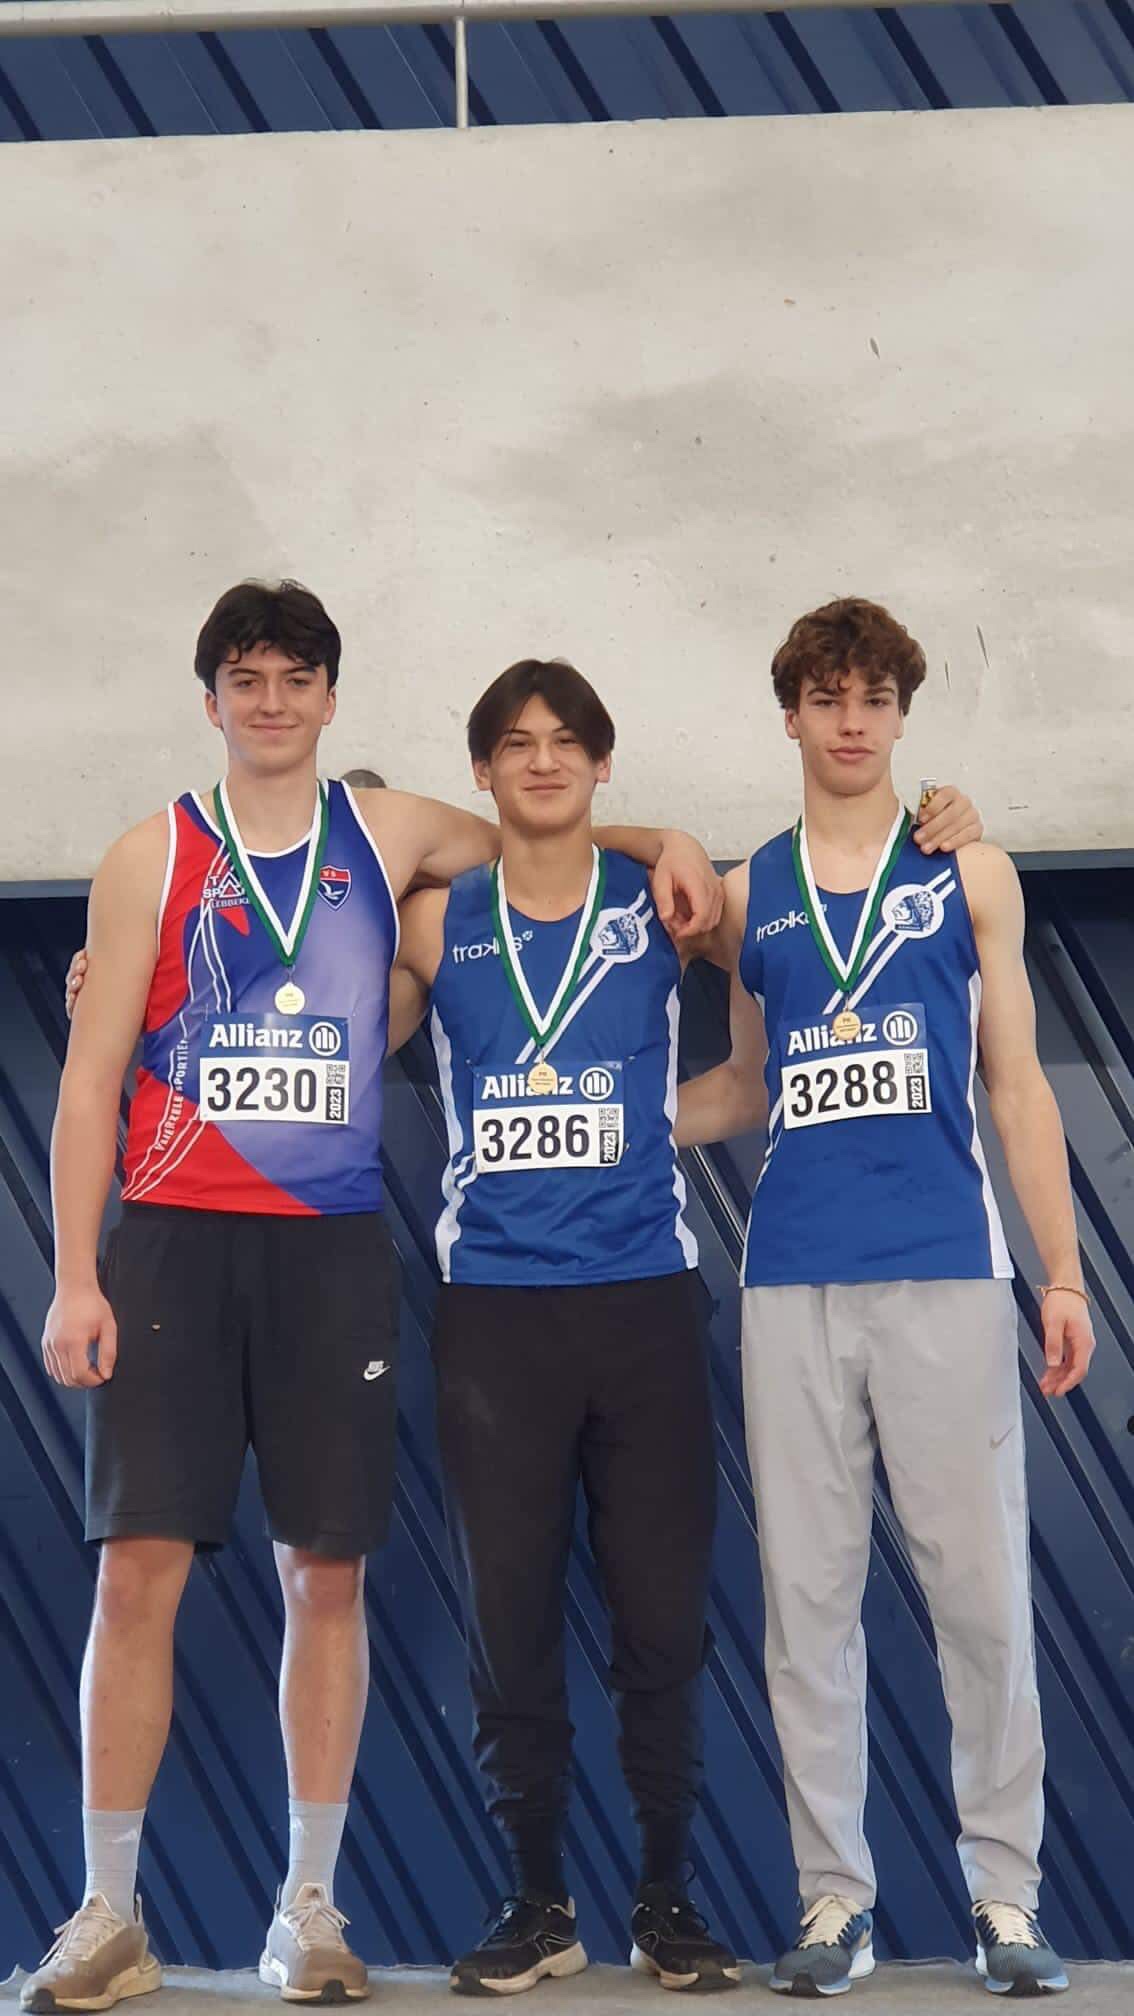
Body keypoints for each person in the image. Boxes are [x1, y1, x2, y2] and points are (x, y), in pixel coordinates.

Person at [27, 584, 719, 2015]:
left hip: (328, 1246)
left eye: (297, 677)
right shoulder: (147, 855)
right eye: (246, 677)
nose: (272, 700)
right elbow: (89, 1082)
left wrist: (671, 842)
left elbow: (545, 829)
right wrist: (75, 1272)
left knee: (323, 1573)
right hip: (170, 1238)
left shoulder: (388, 830)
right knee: (135, 1571)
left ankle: (309, 1909)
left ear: (331, 697)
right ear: (211, 699)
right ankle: (106, 1910)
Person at [381, 658, 979, 1997]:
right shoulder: (434, 923)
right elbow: (321, 1004)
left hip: (644, 1300)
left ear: (602, 763)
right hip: (495, 1315)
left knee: (661, 1620)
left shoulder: (669, 905)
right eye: (516, 744)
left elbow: (817, 933)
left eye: (567, 742)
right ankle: (536, 1898)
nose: (543, 760)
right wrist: (114, 985)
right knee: (509, 1620)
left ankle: (666, 1893)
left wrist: (946, 821)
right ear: (482, 770)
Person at [676, 597, 1094, 1999]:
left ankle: (1006, 1899)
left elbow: (1016, 1084)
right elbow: (747, 1084)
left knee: (980, 1599)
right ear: (790, 714)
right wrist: (608, 1124)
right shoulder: (750, 892)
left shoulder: (968, 871)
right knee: (807, 1606)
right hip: (793, 1278)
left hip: (947, 1271)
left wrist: (1063, 1269)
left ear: (902, 713)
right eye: (827, 697)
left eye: (873, 698)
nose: (850, 721)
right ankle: (832, 1902)